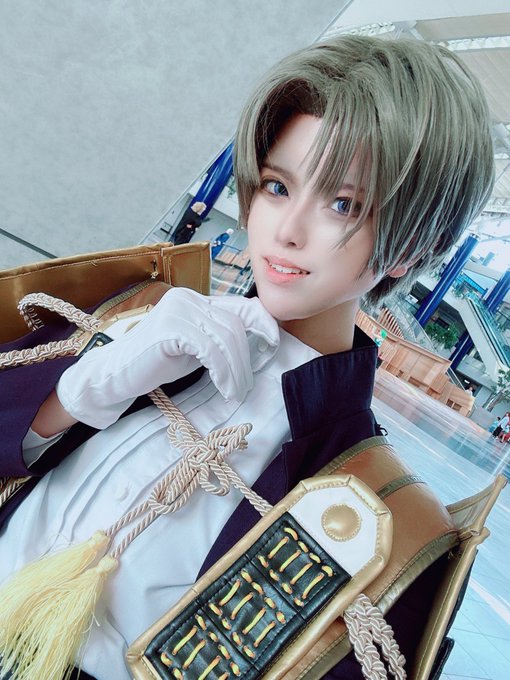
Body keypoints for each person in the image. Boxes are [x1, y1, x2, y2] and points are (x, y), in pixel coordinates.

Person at [0, 34, 494, 680]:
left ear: (412, 247)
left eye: (342, 203)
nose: (286, 230)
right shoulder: (133, 311)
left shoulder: (382, 515)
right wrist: (73, 397)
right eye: (277, 186)